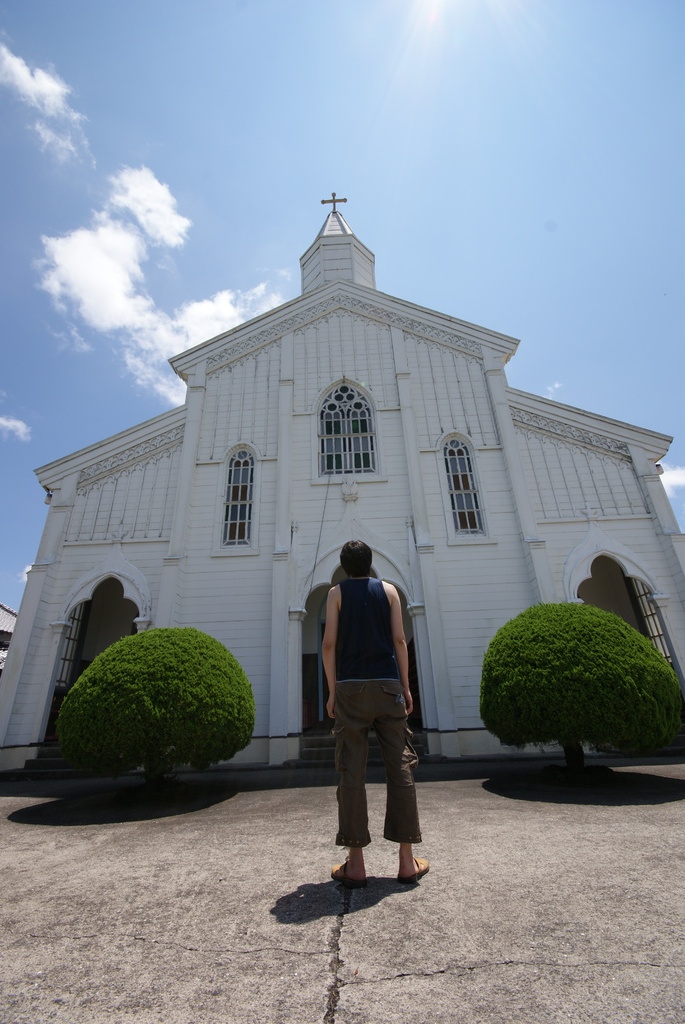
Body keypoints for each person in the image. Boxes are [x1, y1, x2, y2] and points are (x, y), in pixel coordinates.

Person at [322, 540, 428, 888]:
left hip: (351, 687)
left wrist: (332, 690)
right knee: (400, 764)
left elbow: (328, 644)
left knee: (351, 770)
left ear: (344, 565)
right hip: (387, 686)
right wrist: (406, 687)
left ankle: (355, 864)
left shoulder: (336, 593)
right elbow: (399, 640)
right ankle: (406, 861)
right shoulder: (390, 591)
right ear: (370, 563)